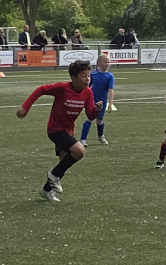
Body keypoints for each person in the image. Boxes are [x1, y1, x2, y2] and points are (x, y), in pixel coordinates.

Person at [16, 60, 103, 202]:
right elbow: (41, 89)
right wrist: (25, 107)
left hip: (68, 131)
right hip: (55, 129)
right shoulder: (63, 88)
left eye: (88, 75)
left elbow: (90, 115)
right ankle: (53, 175)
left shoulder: (88, 93)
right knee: (79, 152)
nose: (87, 79)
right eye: (83, 76)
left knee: (63, 163)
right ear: (74, 78)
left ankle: (46, 190)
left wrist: (96, 110)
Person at [80, 53, 115, 146]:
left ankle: (100, 136)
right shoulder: (93, 74)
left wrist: (110, 103)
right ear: (99, 63)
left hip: (102, 102)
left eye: (108, 62)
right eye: (105, 62)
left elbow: (110, 90)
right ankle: (83, 140)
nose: (107, 64)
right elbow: (87, 87)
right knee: (89, 118)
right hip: (92, 100)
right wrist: (83, 97)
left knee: (99, 121)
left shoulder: (109, 76)